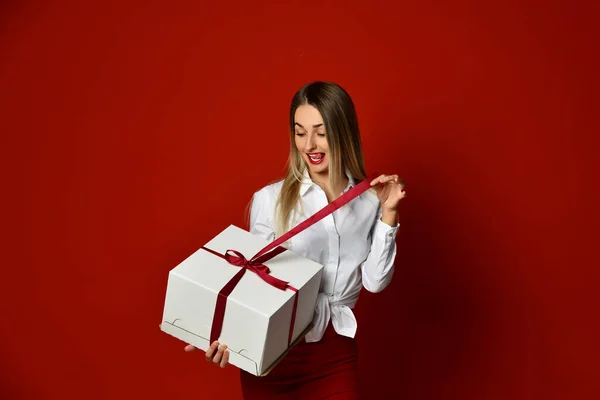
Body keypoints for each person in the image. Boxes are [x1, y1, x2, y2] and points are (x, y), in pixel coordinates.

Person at [185, 81, 406, 399]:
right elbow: (252, 285)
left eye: (321, 131)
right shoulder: (269, 199)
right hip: (271, 358)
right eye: (300, 132)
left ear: (342, 131)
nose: (310, 145)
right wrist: (217, 331)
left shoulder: (370, 200)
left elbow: (375, 282)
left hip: (334, 355)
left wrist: (388, 212)